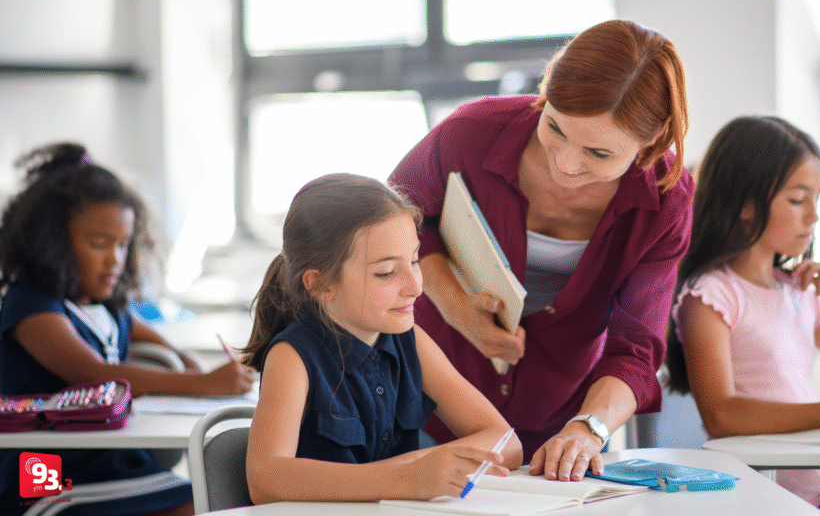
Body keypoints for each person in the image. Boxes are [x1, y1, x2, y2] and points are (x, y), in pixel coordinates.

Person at [389, 19, 694, 482]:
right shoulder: (468, 134)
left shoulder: (667, 200)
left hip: (555, 427)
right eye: (554, 127)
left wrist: (588, 430)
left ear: (653, 135)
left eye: (598, 154)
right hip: (422, 407)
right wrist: (455, 306)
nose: (566, 164)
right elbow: (393, 228)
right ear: (546, 92)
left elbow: (635, 348)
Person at [663, 116, 820, 514]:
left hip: (812, 502)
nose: (813, 216)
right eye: (798, 200)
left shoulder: (798, 293)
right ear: (746, 206)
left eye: (818, 198)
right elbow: (721, 416)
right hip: (753, 504)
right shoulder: (711, 296)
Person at [0, 143, 255, 516]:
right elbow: (95, 374)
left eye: (122, 245)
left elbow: (155, 340)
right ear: (52, 245)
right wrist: (203, 383)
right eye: (99, 244)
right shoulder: (31, 305)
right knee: (204, 505)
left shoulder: (107, 308)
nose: (114, 260)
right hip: (47, 478)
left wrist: (186, 360)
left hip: (118, 463)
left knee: (221, 498)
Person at [242, 173, 522, 503]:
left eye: (414, 261)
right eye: (386, 272)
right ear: (320, 284)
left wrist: (420, 469)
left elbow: (506, 442)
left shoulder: (411, 341)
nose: (415, 287)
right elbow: (265, 480)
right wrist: (406, 477)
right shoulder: (293, 356)